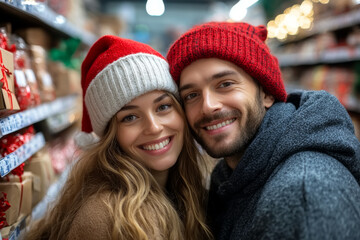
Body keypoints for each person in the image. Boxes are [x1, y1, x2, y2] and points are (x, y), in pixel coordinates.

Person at [166, 21, 360, 239]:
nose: (208, 105)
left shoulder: (301, 197)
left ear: (267, 93)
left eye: (225, 84)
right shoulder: (234, 175)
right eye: (191, 95)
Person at [26, 35, 212, 240]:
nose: (154, 127)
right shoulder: (109, 219)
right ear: (110, 136)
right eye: (130, 117)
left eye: (163, 107)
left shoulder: (187, 188)